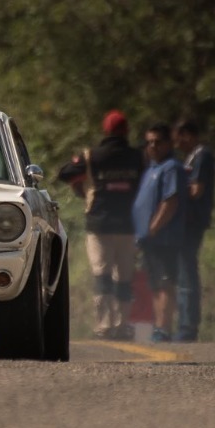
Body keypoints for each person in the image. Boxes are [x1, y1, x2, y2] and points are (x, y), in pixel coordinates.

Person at [58, 110, 144, 338]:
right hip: (127, 224)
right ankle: (123, 324)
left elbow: (65, 173)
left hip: (99, 223)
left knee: (102, 273)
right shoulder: (138, 157)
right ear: (126, 131)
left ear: (105, 130)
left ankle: (104, 325)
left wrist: (80, 187)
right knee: (124, 276)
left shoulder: (91, 156)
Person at [133, 123, 187, 343]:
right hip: (149, 240)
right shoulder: (152, 168)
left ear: (168, 143)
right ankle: (158, 327)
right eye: (149, 142)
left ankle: (164, 329)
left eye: (157, 141)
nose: (152, 146)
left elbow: (170, 202)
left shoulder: (171, 167)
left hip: (163, 239)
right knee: (155, 285)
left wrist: (152, 229)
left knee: (165, 284)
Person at [173, 119, 215, 341]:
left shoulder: (201, 156)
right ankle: (184, 323)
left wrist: (172, 190)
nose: (177, 142)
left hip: (192, 222)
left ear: (188, 135)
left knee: (187, 272)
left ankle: (188, 327)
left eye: (179, 137)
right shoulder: (189, 158)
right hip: (185, 222)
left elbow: (196, 190)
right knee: (183, 271)